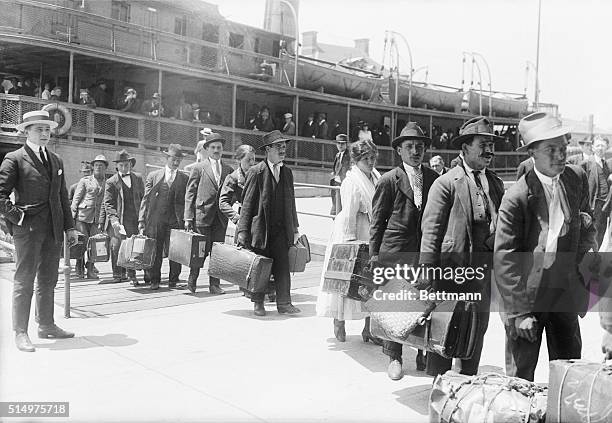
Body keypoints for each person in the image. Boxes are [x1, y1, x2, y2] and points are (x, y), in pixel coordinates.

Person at [494, 112, 597, 382]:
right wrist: (519, 314)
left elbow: (586, 227)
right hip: (526, 296)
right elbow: (505, 259)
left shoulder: (575, 179)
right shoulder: (516, 197)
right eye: (551, 149)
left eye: (563, 148)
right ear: (532, 154)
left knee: (569, 371)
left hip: (562, 291)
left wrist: (582, 277)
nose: (560, 156)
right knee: (521, 375)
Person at [420, 117, 505, 378]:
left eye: (491, 144)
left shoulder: (496, 183)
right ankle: (439, 388)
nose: (489, 150)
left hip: (483, 275)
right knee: (444, 330)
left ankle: (466, 386)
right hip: (451, 272)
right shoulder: (446, 183)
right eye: (483, 144)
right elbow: (431, 231)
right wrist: (428, 276)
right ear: (465, 147)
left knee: (476, 330)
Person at [0, 110, 78, 352]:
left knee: (48, 278)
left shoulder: (56, 160)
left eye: (47, 129)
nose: (44, 134)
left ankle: (46, 324)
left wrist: (70, 226)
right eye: (38, 129)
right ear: (26, 132)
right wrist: (18, 217)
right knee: (24, 280)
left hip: (53, 229)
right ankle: (20, 332)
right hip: (28, 229)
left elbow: (62, 196)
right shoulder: (14, 159)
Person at [369, 122, 439, 380]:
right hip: (395, 251)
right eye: (409, 146)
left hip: (425, 252)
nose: (415, 151)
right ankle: (394, 356)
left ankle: (423, 353)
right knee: (397, 304)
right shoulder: (389, 180)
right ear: (399, 150)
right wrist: (375, 255)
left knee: (424, 301)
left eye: (419, 146)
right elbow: (377, 221)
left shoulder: (434, 179)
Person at [317, 139, 381, 341]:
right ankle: (339, 320)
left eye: (372, 157)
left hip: (372, 232)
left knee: (372, 281)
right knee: (348, 279)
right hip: (354, 232)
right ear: (356, 160)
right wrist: (349, 243)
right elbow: (348, 215)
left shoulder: (376, 177)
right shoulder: (351, 181)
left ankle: (369, 328)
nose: (370, 162)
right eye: (366, 158)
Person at [237, 130, 301, 316]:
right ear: (267, 149)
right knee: (260, 267)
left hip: (281, 231)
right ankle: (258, 303)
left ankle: (284, 303)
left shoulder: (287, 173)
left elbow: (292, 203)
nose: (283, 149)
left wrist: (295, 228)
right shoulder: (256, 172)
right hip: (261, 230)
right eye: (278, 146)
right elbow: (247, 204)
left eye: (284, 146)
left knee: (283, 266)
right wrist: (242, 231)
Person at [184, 133, 233, 295]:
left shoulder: (228, 170)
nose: (216, 150)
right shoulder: (199, 168)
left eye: (219, 147)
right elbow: (190, 194)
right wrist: (188, 217)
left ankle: (214, 285)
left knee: (217, 253)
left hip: (220, 219)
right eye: (213, 147)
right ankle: (192, 281)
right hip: (202, 216)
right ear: (207, 149)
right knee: (199, 251)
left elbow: (232, 194)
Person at [139, 145, 187, 290]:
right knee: (156, 250)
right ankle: (155, 280)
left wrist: (187, 220)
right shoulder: (154, 176)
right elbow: (145, 199)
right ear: (167, 158)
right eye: (174, 159)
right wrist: (142, 220)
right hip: (156, 220)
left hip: (175, 220)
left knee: (175, 251)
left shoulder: (185, 178)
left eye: (179, 160)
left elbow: (187, 201)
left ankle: (174, 279)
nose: (176, 162)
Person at [100, 150, 145, 285]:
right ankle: (117, 274)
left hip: (134, 218)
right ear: (117, 166)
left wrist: (143, 218)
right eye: (121, 165)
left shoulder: (138, 178)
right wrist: (114, 220)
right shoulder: (111, 182)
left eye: (126, 165)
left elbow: (143, 198)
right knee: (117, 246)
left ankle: (132, 275)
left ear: (130, 164)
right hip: (119, 219)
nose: (124, 168)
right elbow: (108, 203)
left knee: (133, 247)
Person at [71, 155, 108, 279]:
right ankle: (79, 268)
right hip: (82, 217)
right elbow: (76, 199)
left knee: (95, 244)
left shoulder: (108, 183)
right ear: (93, 167)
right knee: (82, 242)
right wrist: (72, 216)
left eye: (101, 166)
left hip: (97, 219)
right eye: (96, 165)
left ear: (105, 168)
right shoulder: (85, 181)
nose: (98, 167)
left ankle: (90, 269)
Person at [582, 136, 611, 247]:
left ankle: (594, 259)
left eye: (603, 146)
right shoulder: (586, 163)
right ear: (593, 148)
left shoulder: (606, 165)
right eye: (598, 145)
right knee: (589, 235)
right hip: (593, 205)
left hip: (605, 206)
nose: (600, 148)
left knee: (601, 234)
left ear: (606, 148)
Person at [329, 134, 351, 216]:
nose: (340, 145)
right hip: (336, 185)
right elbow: (335, 169)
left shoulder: (349, 156)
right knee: (334, 211)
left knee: (339, 212)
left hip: (344, 185)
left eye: (342, 143)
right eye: (338, 143)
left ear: (346, 144)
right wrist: (334, 174)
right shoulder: (338, 155)